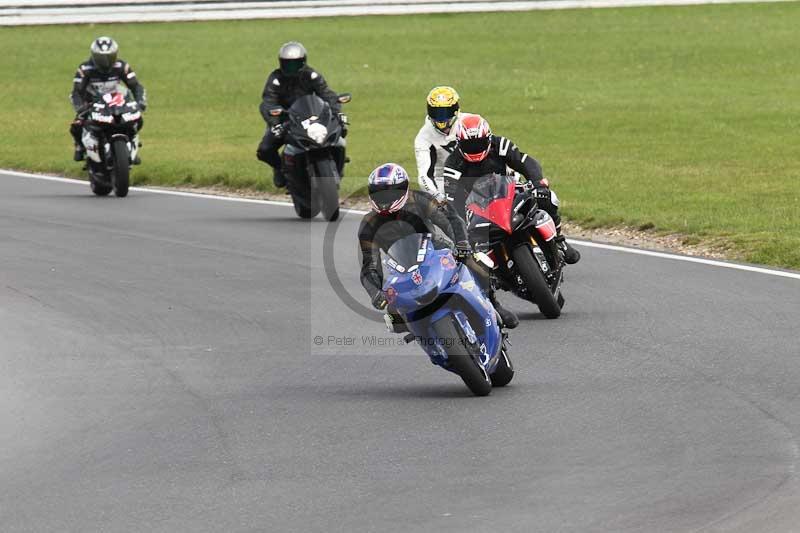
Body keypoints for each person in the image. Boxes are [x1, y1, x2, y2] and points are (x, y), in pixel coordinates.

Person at [358, 163, 518, 330]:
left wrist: (461, 243)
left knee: (472, 260)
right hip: (400, 267)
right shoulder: (368, 224)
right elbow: (370, 265)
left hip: (435, 249)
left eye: (390, 193)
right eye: (380, 195)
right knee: (394, 319)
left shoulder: (419, 198)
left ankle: (493, 303)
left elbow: (450, 219)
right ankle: (430, 342)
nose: (385, 200)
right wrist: (376, 293)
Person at [442, 113, 581, 264]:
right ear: (459, 143)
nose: (475, 149)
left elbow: (525, 162)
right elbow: (452, 198)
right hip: (477, 207)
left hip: (509, 192)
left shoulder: (499, 144)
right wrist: (461, 236)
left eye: (479, 143)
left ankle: (559, 241)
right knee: (465, 248)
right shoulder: (453, 163)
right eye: (469, 145)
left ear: (488, 138)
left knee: (548, 197)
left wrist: (538, 183)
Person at [257, 41, 345, 188]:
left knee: (340, 131)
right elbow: (268, 102)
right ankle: (280, 168)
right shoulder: (276, 79)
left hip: (311, 117)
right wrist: (275, 123)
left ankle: (336, 165)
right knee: (265, 149)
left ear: (303, 61)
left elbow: (327, 94)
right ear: (281, 63)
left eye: (295, 64)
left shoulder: (311, 75)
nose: (291, 68)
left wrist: (337, 113)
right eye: (287, 64)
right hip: (285, 120)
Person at [70, 36, 147, 162]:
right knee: (76, 126)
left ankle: (131, 145)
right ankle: (80, 146)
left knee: (137, 119)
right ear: (94, 56)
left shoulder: (122, 66)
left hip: (116, 102)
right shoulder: (85, 69)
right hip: (92, 103)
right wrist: (80, 108)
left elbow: (136, 86)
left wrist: (140, 102)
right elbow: (76, 92)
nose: (105, 62)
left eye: (109, 57)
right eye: (101, 58)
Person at [413, 86, 463, 202]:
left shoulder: (471, 124)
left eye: (446, 112)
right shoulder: (423, 137)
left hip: (473, 177)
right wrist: (439, 199)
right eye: (436, 113)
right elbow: (424, 177)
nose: (441, 118)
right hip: (444, 183)